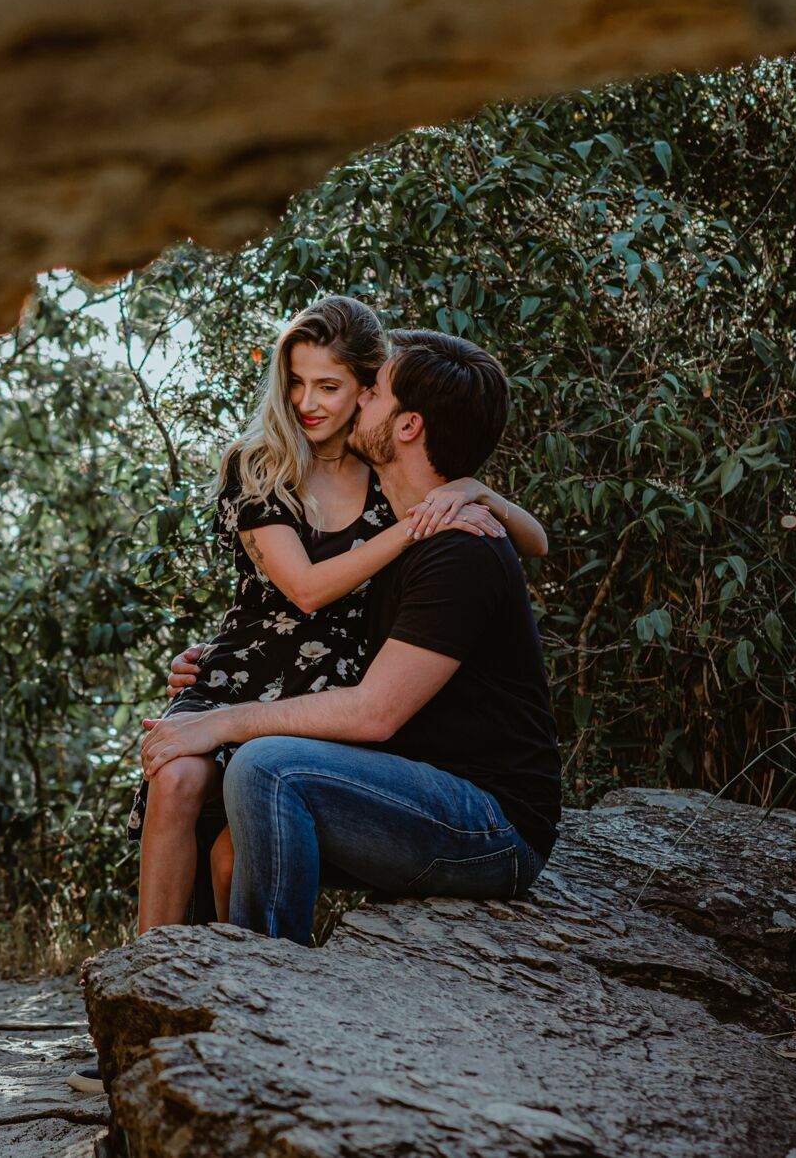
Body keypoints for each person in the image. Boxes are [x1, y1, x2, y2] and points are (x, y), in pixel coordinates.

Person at [68, 306, 546, 1095]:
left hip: (335, 692)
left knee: (247, 819)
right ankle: (142, 1013)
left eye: (340, 387)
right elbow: (301, 589)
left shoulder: (420, 504)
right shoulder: (268, 467)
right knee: (185, 780)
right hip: (251, 676)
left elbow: (527, 543)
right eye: (296, 383)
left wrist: (472, 494)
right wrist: (213, 686)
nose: (314, 402)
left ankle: (247, 1018)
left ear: (377, 403)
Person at [140, 329, 562, 944]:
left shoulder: (458, 550)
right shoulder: (406, 527)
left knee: (266, 769)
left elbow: (374, 712)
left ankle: (272, 992)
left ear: (408, 426)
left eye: (373, 393)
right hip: (410, 782)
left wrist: (222, 721)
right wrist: (213, 661)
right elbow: (307, 607)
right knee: (230, 845)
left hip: (489, 824)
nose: (358, 400)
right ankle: (185, 988)